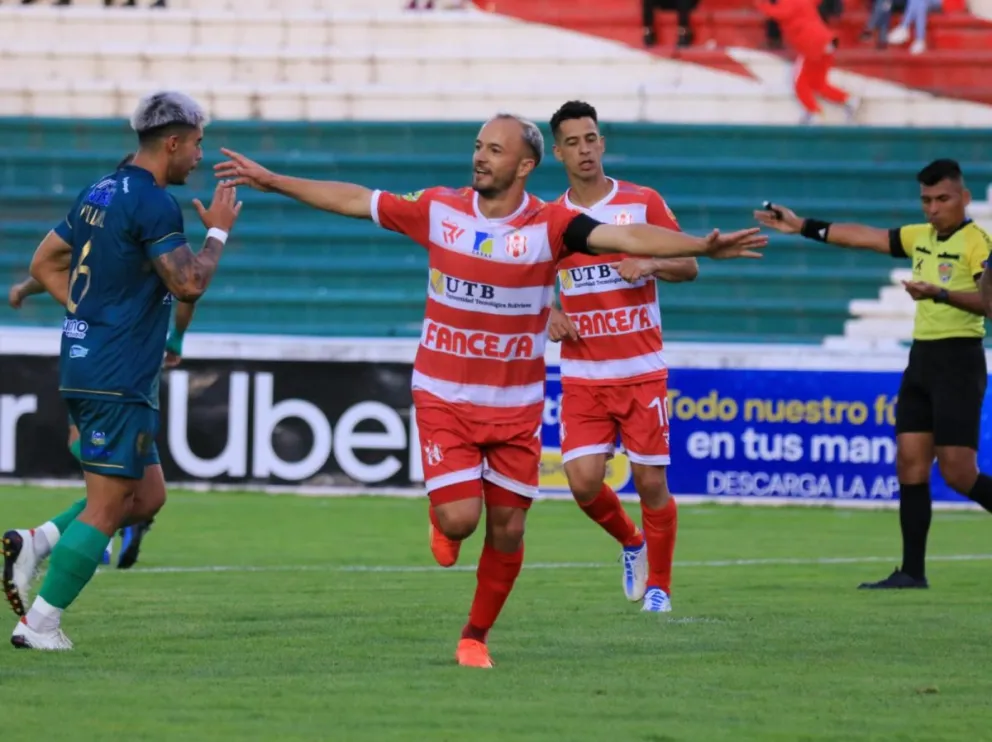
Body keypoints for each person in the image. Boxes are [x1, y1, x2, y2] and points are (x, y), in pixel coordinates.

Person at [214, 114, 765, 668]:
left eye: (495, 150)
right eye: (478, 146)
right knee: (461, 521)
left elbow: (622, 236)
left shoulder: (552, 225)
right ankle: (445, 516)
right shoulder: (439, 209)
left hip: (516, 408)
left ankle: (474, 636)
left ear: (525, 165)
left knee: (509, 528)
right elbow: (358, 199)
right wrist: (275, 180)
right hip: (446, 396)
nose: (480, 157)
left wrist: (698, 246)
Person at [4, 90, 241, 651]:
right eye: (198, 145)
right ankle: (39, 624)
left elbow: (43, 262)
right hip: (115, 373)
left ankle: (35, 542)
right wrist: (219, 231)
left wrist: (91, 314)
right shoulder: (155, 203)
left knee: (147, 495)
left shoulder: (101, 190)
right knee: (110, 506)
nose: (200, 158)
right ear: (174, 142)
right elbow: (189, 283)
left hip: (94, 364)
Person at [755, 158, 992, 590]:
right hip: (922, 361)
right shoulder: (920, 237)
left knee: (959, 472)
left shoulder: (978, 243)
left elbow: (988, 304)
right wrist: (803, 226)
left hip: (960, 360)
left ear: (964, 198)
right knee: (910, 463)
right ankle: (912, 572)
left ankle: (914, 570)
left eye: (942, 199)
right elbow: (865, 237)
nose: (933, 208)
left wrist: (938, 292)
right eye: (926, 200)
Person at [3, 153, 194, 574]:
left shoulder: (133, 227)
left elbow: (185, 289)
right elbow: (187, 289)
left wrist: (31, 291)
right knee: (120, 488)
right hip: (114, 358)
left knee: (138, 491)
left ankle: (73, 533)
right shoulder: (145, 227)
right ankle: (92, 530)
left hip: (104, 356)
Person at [545, 101, 692, 614]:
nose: (584, 150)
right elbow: (527, 284)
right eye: (573, 142)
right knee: (584, 481)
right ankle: (631, 542)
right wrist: (548, 313)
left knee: (652, 480)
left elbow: (689, 266)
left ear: (602, 143)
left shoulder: (641, 202)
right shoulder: (553, 220)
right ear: (558, 152)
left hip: (640, 370)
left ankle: (660, 587)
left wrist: (649, 262)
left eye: (592, 139)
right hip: (583, 374)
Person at [754, 0, 859, 125]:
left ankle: (814, 113)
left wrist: (760, 3)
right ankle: (849, 100)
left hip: (812, 44)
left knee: (800, 83)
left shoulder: (785, 4)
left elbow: (773, 12)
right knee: (818, 83)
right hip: (827, 41)